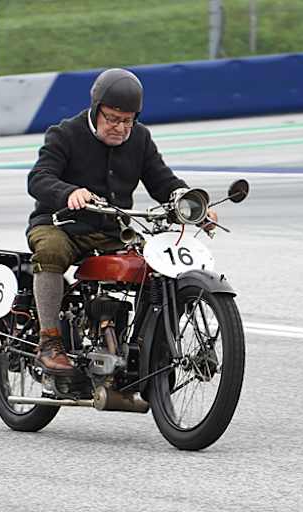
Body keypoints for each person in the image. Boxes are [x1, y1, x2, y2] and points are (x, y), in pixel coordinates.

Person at [26, 68, 217, 374]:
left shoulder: (139, 139)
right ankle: (49, 342)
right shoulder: (65, 133)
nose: (120, 127)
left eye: (127, 120)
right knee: (50, 251)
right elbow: (38, 178)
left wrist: (190, 203)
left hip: (114, 230)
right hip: (61, 224)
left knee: (156, 264)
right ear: (96, 108)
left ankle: (146, 346)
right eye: (112, 119)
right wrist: (68, 192)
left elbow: (162, 181)